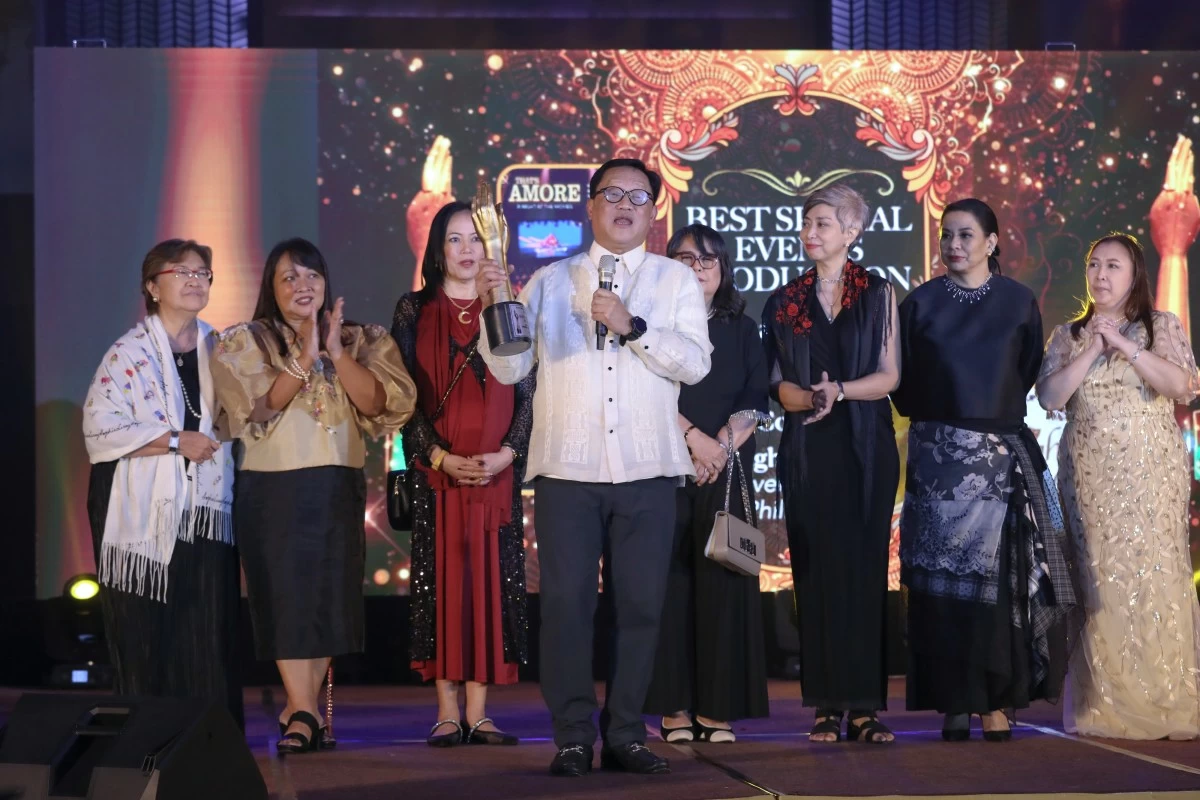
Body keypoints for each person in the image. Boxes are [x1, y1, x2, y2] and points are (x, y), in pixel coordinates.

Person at [475, 158, 711, 776]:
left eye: (638, 196)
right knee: (567, 606)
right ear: (591, 204)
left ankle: (627, 732)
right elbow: (507, 368)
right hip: (568, 472)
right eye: (612, 194)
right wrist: (493, 302)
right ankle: (574, 735)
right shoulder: (549, 281)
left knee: (640, 606)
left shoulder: (673, 281)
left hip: (649, 469)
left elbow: (694, 364)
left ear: (654, 210)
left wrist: (630, 325)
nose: (625, 205)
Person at [211, 238, 416, 754]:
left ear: (326, 283)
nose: (303, 287)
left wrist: (335, 352)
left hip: (337, 479)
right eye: (289, 278)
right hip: (272, 483)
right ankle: (303, 709)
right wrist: (304, 355)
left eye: (312, 277)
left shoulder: (360, 337)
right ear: (271, 288)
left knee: (329, 596)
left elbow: (380, 403)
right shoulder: (248, 340)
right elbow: (256, 408)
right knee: (284, 595)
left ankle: (299, 710)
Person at [893, 198, 1078, 742]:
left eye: (967, 235)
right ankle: (953, 700)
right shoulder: (919, 303)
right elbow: (902, 385)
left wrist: (981, 427)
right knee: (940, 584)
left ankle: (996, 702)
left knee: (999, 587)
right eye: (947, 235)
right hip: (934, 461)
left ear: (993, 242)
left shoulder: (1019, 302)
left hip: (996, 461)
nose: (954, 244)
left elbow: (1022, 375)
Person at [1036, 233, 1200, 740]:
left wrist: (1126, 345)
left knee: (1156, 576)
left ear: (1134, 277)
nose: (1101, 275)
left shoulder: (1160, 326)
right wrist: (1093, 347)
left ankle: (1168, 698)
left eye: (1113, 266)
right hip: (1090, 476)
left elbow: (1182, 387)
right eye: (1094, 265)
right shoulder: (1068, 334)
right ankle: (1105, 705)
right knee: (1100, 582)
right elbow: (1049, 397)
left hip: (1151, 474)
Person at [390, 201, 535, 747]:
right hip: (439, 474)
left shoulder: (509, 307)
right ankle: (446, 710)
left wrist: (508, 454)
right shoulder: (413, 310)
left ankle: (480, 710)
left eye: (476, 238)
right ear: (437, 250)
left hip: (496, 473)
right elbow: (405, 401)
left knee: (490, 586)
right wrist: (438, 457)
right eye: (455, 239)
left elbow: (528, 394)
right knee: (443, 587)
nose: (467, 248)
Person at [760, 185, 901, 743]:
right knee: (814, 572)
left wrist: (838, 391)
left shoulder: (878, 292)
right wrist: (802, 398)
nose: (810, 232)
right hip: (808, 447)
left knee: (866, 572)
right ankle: (824, 704)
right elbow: (774, 382)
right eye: (806, 222)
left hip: (865, 444)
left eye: (822, 222)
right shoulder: (785, 299)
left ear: (851, 230)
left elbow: (890, 377)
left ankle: (865, 706)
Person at [82, 239, 242, 727]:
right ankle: (142, 743)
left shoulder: (222, 347)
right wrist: (175, 441)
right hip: (141, 511)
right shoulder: (126, 353)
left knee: (206, 631)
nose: (196, 280)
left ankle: (211, 743)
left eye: (203, 273)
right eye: (182, 272)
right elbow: (99, 427)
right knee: (146, 632)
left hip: (205, 509)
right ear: (152, 287)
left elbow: (237, 418)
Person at [643, 224, 769, 743]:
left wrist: (718, 447)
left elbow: (755, 398)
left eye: (708, 261)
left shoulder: (742, 327)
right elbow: (646, 391)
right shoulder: (648, 324)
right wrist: (693, 440)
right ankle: (673, 708)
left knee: (724, 581)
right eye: (686, 259)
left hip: (727, 466)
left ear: (724, 271)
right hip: (662, 463)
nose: (697, 269)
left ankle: (718, 708)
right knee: (668, 584)